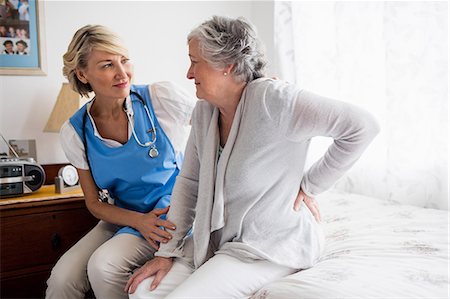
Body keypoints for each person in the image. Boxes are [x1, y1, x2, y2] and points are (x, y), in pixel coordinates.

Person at [125, 16, 380, 298]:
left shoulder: (276, 101)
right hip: (218, 240)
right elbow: (190, 182)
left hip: (269, 244)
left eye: (195, 62)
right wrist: (167, 251)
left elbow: (362, 127)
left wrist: (310, 185)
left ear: (228, 66)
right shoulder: (205, 111)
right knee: (142, 292)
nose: (188, 73)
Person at [45, 24, 196, 299]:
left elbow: (216, 123)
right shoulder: (75, 131)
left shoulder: (160, 99)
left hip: (169, 214)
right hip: (125, 216)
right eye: (106, 65)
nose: (122, 73)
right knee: (62, 279)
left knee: (103, 266)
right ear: (82, 74)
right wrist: (138, 221)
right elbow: (93, 203)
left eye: (124, 60)